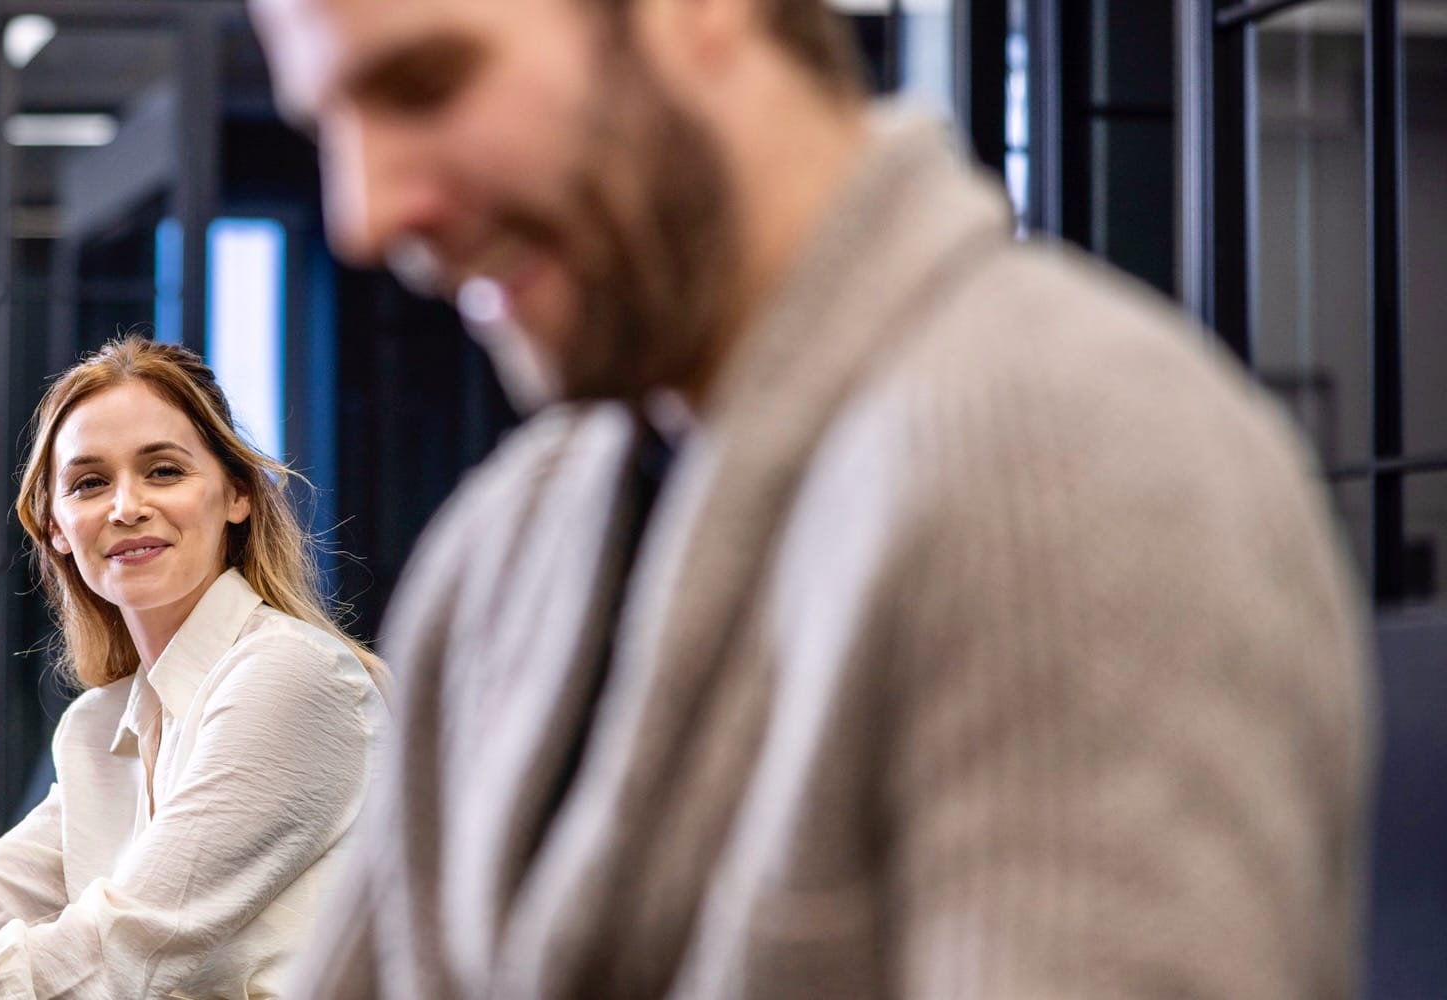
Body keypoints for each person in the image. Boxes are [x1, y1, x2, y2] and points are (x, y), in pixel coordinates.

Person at [248, 0, 1370, 997]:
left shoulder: (1075, 461)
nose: (366, 212)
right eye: (329, 126)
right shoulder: (507, 541)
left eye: (427, 84)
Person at [0, 339, 389, 999]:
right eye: (89, 483)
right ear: (54, 526)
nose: (126, 506)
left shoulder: (290, 674)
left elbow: (122, 953)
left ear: (237, 496)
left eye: (164, 471)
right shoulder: (99, 725)